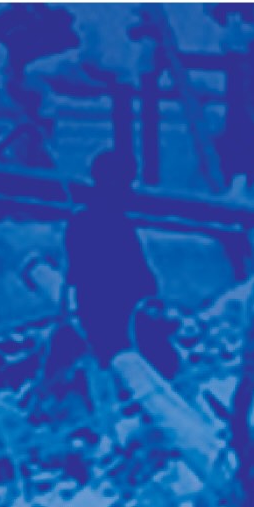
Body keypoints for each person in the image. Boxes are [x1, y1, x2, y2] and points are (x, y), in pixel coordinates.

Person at [64, 145, 159, 370]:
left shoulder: (79, 223)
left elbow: (73, 275)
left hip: (101, 318)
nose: (130, 191)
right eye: (126, 184)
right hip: (116, 325)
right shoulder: (115, 226)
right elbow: (140, 280)